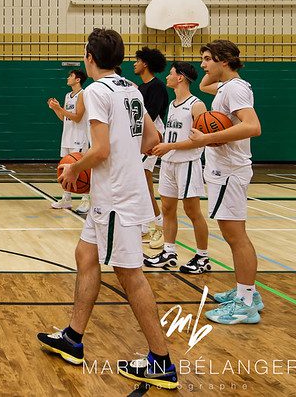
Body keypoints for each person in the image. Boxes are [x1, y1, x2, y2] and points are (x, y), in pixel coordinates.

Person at [39, 29, 177, 390]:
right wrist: (125, 163)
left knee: (130, 275)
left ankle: (161, 361)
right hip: (116, 194)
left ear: (89, 57)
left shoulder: (97, 91)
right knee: (85, 256)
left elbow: (99, 150)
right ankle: (72, 338)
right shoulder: (131, 89)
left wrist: (74, 168)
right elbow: (152, 140)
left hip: (115, 199)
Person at [191, 40, 263, 324]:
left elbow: (252, 126)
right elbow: (202, 85)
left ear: (223, 61)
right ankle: (249, 292)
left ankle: (245, 303)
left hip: (230, 170)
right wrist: (217, 65)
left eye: (207, 59)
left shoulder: (234, 88)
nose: (202, 65)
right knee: (234, 234)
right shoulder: (226, 86)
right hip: (226, 169)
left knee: (236, 236)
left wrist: (207, 138)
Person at [146, 63, 210, 274]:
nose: (167, 77)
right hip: (169, 162)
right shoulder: (173, 104)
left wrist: (169, 146)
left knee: (193, 211)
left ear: (181, 77)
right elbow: (174, 135)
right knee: (167, 209)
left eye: (171, 74)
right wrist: (157, 145)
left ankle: (202, 257)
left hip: (187, 163)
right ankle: (169, 252)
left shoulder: (196, 105)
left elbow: (200, 141)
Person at [134, 47, 169, 249]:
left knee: (145, 181)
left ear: (145, 63)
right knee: (139, 183)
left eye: (137, 60)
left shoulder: (157, 87)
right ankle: (144, 226)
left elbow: (150, 116)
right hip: (140, 138)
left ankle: (158, 225)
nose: (135, 63)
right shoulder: (140, 87)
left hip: (151, 137)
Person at [47, 69, 90, 213]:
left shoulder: (83, 94)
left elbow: (77, 117)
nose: (68, 78)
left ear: (78, 80)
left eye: (70, 76)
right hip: (67, 137)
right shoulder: (67, 95)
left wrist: (60, 108)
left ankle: (86, 200)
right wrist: (55, 109)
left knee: (83, 170)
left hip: (79, 138)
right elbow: (65, 118)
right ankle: (66, 199)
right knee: (64, 168)